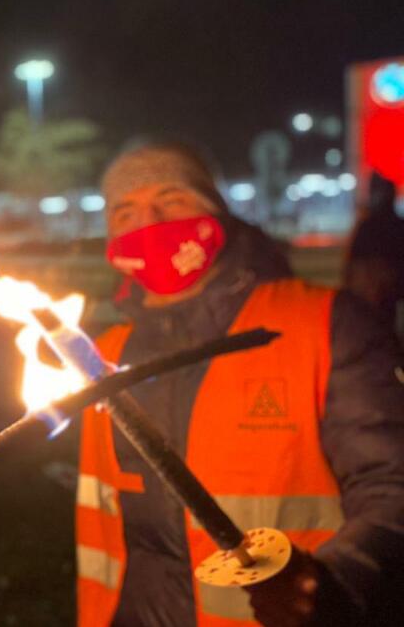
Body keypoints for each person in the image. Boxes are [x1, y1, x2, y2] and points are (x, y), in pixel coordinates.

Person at [76, 141, 404, 627]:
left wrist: (337, 579)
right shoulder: (104, 355)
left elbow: (391, 485)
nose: (149, 221)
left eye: (172, 199)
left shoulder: (325, 323)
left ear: (216, 213)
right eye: (125, 211)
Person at [343, 171, 404, 340]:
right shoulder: (396, 226)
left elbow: (351, 265)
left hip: (371, 299)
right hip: (387, 296)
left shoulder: (367, 227)